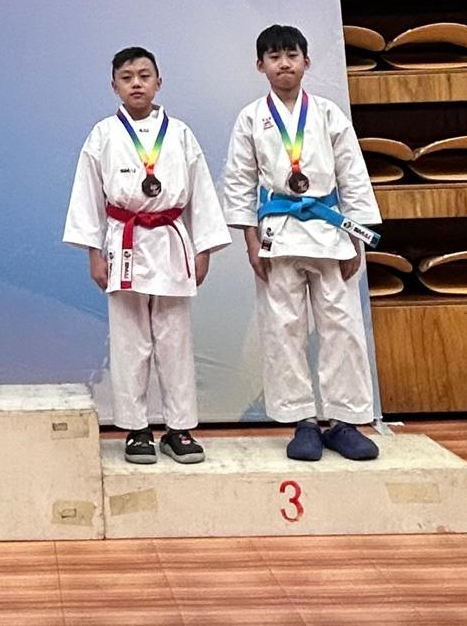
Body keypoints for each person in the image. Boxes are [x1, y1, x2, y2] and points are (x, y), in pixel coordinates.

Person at [222, 24, 383, 462]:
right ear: (260, 65)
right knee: (283, 328)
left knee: (342, 326)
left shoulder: (329, 114)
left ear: (307, 62)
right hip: (278, 231)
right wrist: (250, 240)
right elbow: (240, 181)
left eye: (291, 55)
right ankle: (303, 422)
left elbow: (352, 175)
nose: (284, 64)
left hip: (330, 230)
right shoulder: (251, 118)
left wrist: (356, 238)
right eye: (274, 57)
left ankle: (344, 420)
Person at [64, 47, 230, 464]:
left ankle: (179, 428)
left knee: (175, 339)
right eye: (127, 77)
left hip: (172, 241)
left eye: (144, 75)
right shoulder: (102, 134)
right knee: (128, 341)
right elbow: (87, 196)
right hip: (124, 241)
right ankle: (136, 429)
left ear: (159, 82)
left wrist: (204, 247)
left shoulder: (180, 134)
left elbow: (201, 192)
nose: (136, 83)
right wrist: (93, 253)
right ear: (114, 86)